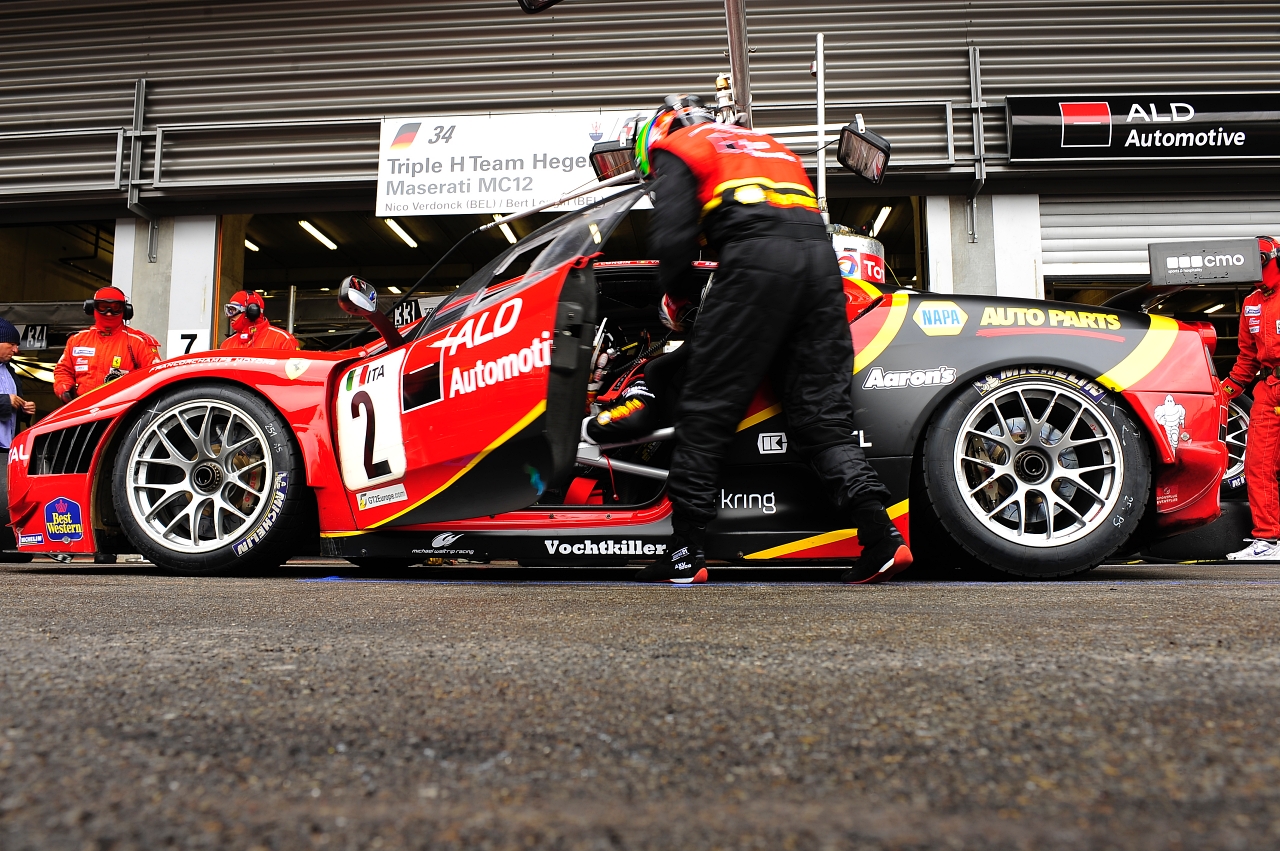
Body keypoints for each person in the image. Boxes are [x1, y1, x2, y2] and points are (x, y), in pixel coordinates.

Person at [630, 95, 911, 585]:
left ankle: (684, 554)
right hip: (822, 273)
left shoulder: (681, 146)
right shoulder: (772, 147)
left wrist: (679, 301)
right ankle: (881, 536)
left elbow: (672, 238)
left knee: (705, 412)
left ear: (657, 136)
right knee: (823, 421)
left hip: (755, 265)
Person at [1222, 235, 1280, 560]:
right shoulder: (1251, 304)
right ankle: (1269, 541)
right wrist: (1224, 393)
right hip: (1268, 390)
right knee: (1258, 465)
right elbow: (1247, 359)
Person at [53, 286, 160, 403]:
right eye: (103, 307)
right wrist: (64, 390)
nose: (109, 313)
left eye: (115, 308)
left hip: (122, 409)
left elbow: (155, 376)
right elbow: (63, 371)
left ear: (125, 310)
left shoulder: (138, 342)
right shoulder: (77, 340)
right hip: (83, 408)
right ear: (92, 307)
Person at [0, 317, 36, 562]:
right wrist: (5, 401)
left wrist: (25, 409)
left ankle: (8, 545)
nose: (16, 350)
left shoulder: (11, 372)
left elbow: (15, 405)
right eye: (11, 344)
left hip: (7, 448)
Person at [220, 291, 299, 350]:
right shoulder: (227, 344)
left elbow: (294, 367)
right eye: (229, 310)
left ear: (251, 312)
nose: (229, 315)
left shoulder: (283, 340)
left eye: (234, 310)